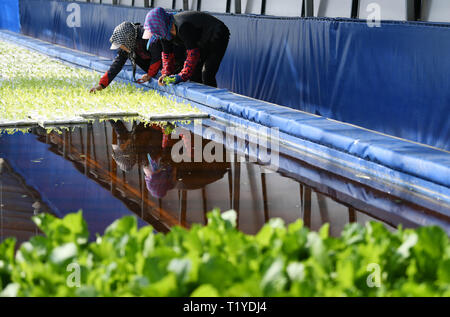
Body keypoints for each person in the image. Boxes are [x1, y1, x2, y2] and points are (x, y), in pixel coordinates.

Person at [142, 7, 230, 88]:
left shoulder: (182, 27)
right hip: (201, 39)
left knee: (207, 73)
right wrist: (166, 74)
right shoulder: (164, 34)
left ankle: (213, 102)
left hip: (218, 33)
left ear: (160, 26)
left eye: (156, 31)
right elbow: (167, 55)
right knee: (195, 73)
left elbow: (193, 54)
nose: (156, 35)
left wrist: (181, 76)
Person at [90, 21, 185, 93]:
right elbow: (117, 65)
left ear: (128, 38)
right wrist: (101, 85)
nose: (122, 48)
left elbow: (156, 57)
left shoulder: (147, 36)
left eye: (122, 45)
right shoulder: (129, 45)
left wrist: (150, 74)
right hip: (161, 68)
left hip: (176, 62)